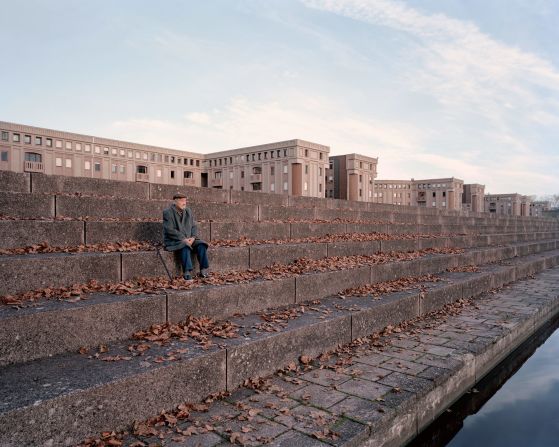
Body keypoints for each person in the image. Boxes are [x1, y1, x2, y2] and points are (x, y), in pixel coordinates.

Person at [162, 193, 209, 280]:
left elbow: (194, 226)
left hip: (189, 239)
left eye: (185, 201)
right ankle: (187, 272)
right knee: (185, 246)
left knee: (201, 245)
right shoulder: (167, 212)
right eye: (182, 201)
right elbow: (169, 230)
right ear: (175, 201)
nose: (184, 203)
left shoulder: (188, 211)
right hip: (174, 240)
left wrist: (193, 237)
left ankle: (203, 269)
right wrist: (184, 239)